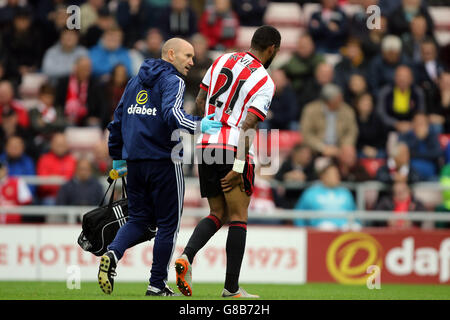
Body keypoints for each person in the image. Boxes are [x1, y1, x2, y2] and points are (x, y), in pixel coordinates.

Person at [98, 37, 223, 297]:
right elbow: (172, 115)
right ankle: (156, 284)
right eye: (187, 56)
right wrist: (200, 124)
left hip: (134, 163)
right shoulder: (173, 80)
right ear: (170, 54)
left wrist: (118, 157)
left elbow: (118, 120)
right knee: (168, 225)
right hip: (164, 161)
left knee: (139, 220)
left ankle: (113, 251)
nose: (192, 61)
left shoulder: (134, 81)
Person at [175, 26, 281, 298]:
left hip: (206, 145)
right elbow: (248, 125)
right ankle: (231, 289)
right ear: (272, 49)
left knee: (216, 213)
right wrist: (237, 166)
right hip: (233, 147)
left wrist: (214, 124)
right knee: (238, 218)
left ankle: (186, 256)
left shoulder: (222, 59)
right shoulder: (265, 80)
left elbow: (200, 100)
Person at [294, 157, 358, 230]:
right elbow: (299, 214)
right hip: (320, 230)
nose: (336, 177)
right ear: (323, 176)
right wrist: (303, 230)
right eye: (332, 174)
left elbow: (354, 214)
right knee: (327, 226)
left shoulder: (345, 192)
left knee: (356, 228)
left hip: (344, 228)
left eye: (337, 174)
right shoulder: (311, 193)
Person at [300, 84, 358, 158]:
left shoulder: (347, 110)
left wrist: (346, 145)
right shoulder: (310, 110)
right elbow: (306, 134)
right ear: (328, 101)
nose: (341, 100)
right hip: (316, 150)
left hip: (340, 148)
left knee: (350, 155)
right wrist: (322, 148)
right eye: (338, 98)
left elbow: (352, 131)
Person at [377, 65, 425, 133]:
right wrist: (396, 124)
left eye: (405, 77)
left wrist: (411, 124)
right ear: (395, 78)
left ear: (411, 79)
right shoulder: (385, 92)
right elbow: (381, 113)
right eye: (399, 76)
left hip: (413, 127)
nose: (402, 79)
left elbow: (421, 112)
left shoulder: (418, 92)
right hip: (390, 127)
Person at [36, 132, 77, 205]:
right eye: (57, 144)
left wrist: (54, 179)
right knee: (49, 202)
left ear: (67, 146)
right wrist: (62, 181)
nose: (60, 147)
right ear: (52, 145)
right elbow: (44, 185)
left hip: (69, 196)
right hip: (50, 197)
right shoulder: (44, 159)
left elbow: (74, 182)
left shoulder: (72, 160)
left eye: (62, 144)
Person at [399, 113, 442, 181]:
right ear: (413, 124)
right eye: (417, 123)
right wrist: (417, 139)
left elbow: (437, 153)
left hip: (431, 172)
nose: (420, 126)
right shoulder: (406, 136)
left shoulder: (432, 136)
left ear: (427, 125)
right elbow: (405, 154)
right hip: (411, 173)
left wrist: (418, 155)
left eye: (422, 123)